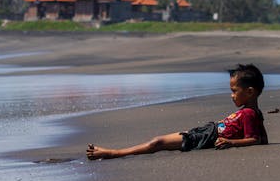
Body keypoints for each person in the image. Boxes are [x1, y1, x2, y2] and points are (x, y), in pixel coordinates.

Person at [86, 63, 268, 160]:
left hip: (207, 137)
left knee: (158, 142)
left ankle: (113, 153)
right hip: (206, 132)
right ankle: (114, 152)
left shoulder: (250, 114)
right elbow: (261, 137)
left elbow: (255, 140)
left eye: (234, 91)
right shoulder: (250, 113)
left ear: (250, 91)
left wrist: (231, 142)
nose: (232, 96)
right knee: (160, 141)